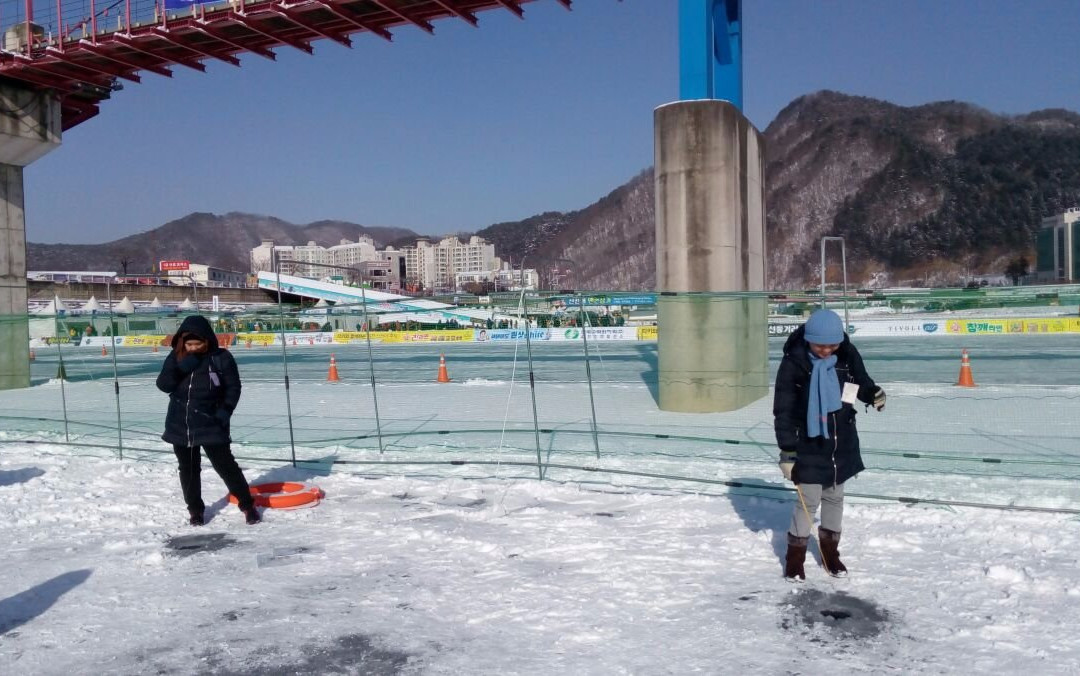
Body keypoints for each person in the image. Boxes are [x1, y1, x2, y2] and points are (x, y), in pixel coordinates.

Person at [772, 309, 885, 581]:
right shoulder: (794, 363)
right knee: (808, 500)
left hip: (840, 440)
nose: (826, 350)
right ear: (809, 339)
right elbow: (784, 410)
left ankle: (830, 555)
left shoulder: (846, 354)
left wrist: (873, 394)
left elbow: (861, 381)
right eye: (820, 345)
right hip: (808, 441)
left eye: (832, 344)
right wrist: (788, 452)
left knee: (835, 497)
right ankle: (795, 558)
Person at [156, 315, 260, 526]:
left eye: (198, 343)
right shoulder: (176, 357)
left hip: (212, 422)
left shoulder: (221, 358)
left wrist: (225, 412)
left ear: (207, 341)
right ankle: (195, 511)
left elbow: (233, 388)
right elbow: (163, 384)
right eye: (189, 344)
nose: (193, 348)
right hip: (181, 423)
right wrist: (182, 367)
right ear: (182, 342)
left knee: (226, 466)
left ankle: (247, 505)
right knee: (189, 470)